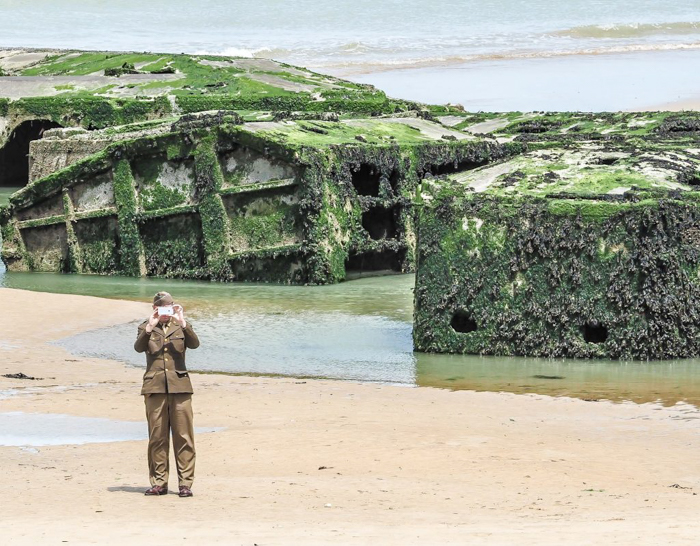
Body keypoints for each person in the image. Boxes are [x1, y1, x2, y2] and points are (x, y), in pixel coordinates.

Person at [134, 291, 200, 497]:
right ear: (155, 309)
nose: (165, 312)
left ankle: (185, 484)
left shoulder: (180, 326)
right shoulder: (146, 327)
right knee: (157, 437)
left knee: (184, 437)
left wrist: (183, 322)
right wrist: (149, 328)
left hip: (180, 387)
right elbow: (138, 348)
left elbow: (195, 344)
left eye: (169, 308)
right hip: (154, 388)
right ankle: (159, 483)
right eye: (162, 308)